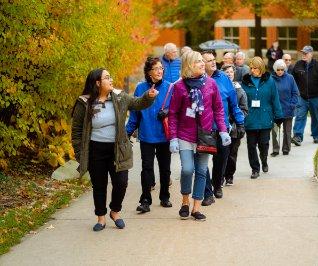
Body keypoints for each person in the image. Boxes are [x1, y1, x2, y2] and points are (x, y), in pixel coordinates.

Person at [71, 68, 157, 231]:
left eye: (110, 77)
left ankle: (115, 211)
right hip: (95, 149)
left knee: (121, 183)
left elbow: (137, 103)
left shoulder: (119, 97)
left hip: (118, 148)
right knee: (99, 185)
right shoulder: (85, 102)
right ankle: (101, 217)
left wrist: (148, 97)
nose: (111, 80)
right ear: (97, 83)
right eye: (107, 78)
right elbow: (76, 131)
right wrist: (80, 153)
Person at [168, 51, 230, 221]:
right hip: (185, 135)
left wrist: (223, 130)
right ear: (189, 65)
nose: (202, 64)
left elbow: (218, 109)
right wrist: (173, 137)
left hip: (205, 135)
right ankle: (185, 202)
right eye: (198, 62)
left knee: (201, 170)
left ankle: (195, 208)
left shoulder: (211, 84)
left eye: (202, 61)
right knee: (187, 169)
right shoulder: (179, 86)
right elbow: (172, 113)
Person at [125, 57, 173, 214]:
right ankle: (145, 200)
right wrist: (127, 133)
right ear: (148, 72)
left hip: (164, 136)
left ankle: (165, 196)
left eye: (161, 68)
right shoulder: (140, 89)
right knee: (146, 168)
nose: (160, 71)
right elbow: (134, 114)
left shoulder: (169, 88)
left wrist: (168, 112)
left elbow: (176, 111)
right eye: (156, 68)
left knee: (165, 169)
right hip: (146, 135)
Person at [201, 51, 244, 205]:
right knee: (202, 162)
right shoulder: (197, 80)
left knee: (220, 160)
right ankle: (206, 190)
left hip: (222, 128)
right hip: (204, 129)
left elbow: (233, 103)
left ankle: (217, 185)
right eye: (209, 60)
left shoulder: (224, 79)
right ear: (201, 63)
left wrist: (240, 122)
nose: (213, 62)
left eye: (214, 59)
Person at [241, 57, 283, 179]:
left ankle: (264, 160)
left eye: (255, 68)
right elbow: (241, 100)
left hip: (265, 118)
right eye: (251, 68)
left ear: (261, 69)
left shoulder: (269, 81)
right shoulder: (246, 81)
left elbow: (275, 99)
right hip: (250, 119)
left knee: (264, 144)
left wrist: (278, 115)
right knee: (251, 145)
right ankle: (255, 168)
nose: (252, 70)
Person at [291, 45, 318, 145]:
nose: (303, 55)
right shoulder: (298, 64)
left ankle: (316, 136)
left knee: (316, 117)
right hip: (302, 97)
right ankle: (298, 136)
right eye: (303, 53)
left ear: (311, 54)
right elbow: (292, 79)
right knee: (300, 116)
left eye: (306, 53)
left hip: (315, 97)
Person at [222, 64, 248, 186]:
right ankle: (220, 176)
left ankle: (229, 176)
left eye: (231, 72)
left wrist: (235, 117)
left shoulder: (240, 90)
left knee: (232, 153)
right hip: (221, 126)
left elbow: (244, 109)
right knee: (222, 154)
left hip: (235, 128)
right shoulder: (219, 87)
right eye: (226, 72)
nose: (229, 74)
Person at [270, 59, 299, 156]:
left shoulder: (290, 78)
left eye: (282, 69)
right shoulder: (271, 79)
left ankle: (286, 149)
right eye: (278, 70)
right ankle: (275, 149)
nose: (280, 72)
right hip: (275, 110)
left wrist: (292, 105)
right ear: (275, 69)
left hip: (288, 109)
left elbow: (295, 93)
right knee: (274, 131)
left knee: (287, 131)